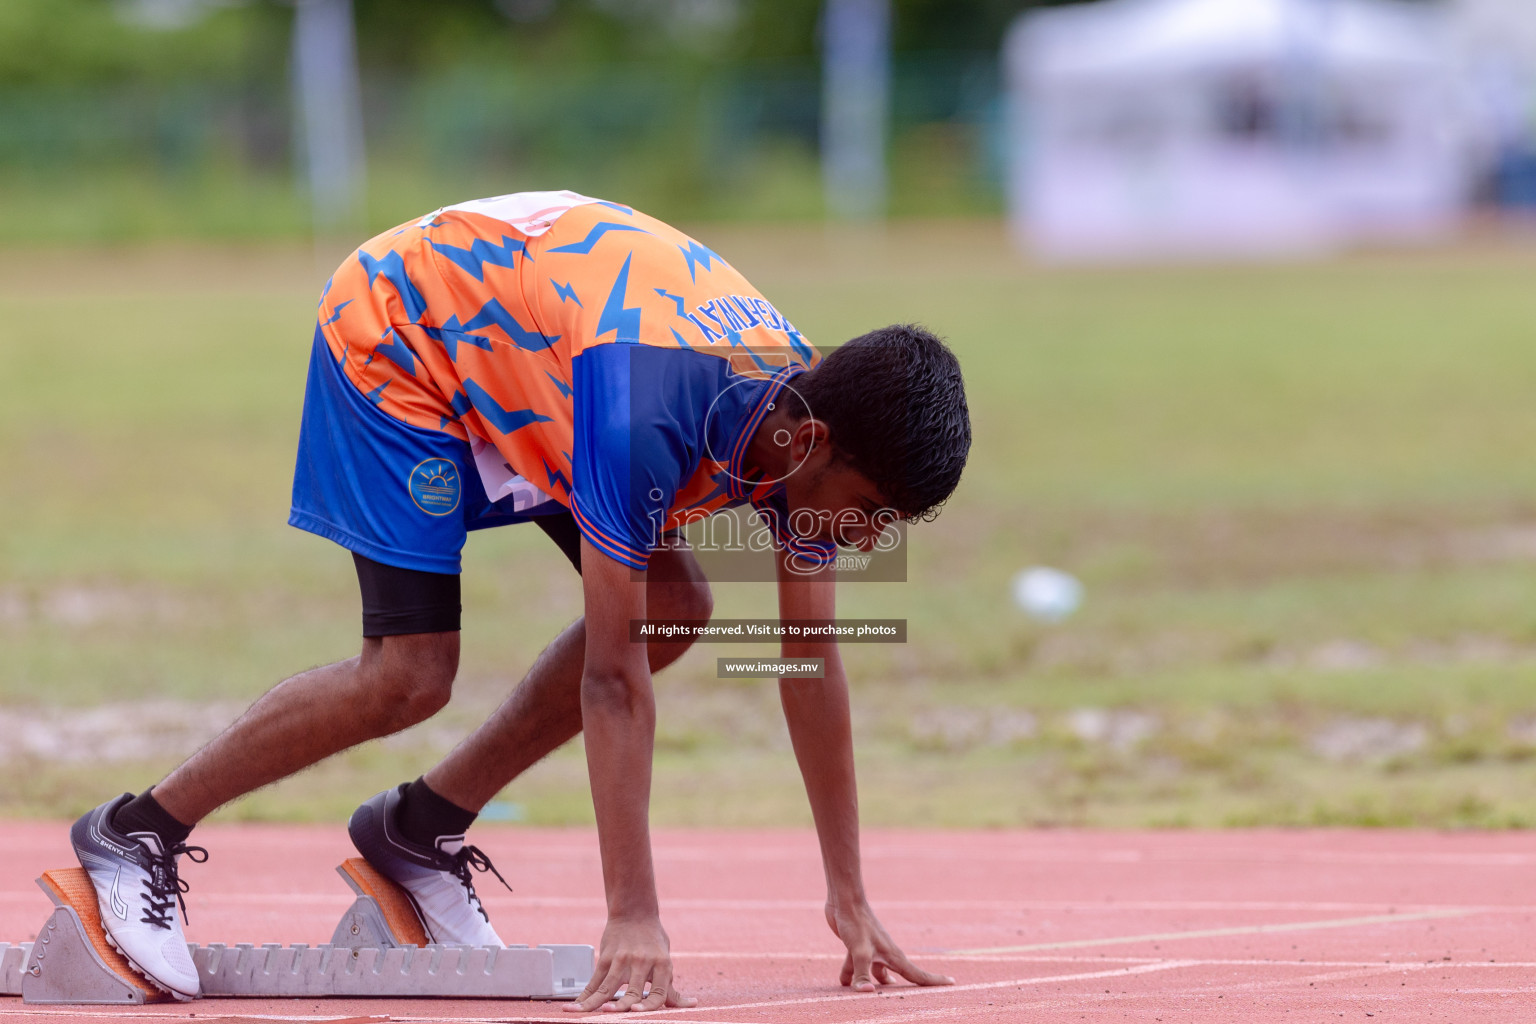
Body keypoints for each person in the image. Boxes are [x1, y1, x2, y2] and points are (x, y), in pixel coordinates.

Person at [69, 190, 971, 1011]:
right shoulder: (644, 417)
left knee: (675, 606)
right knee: (411, 676)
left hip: (543, 355)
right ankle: (135, 831)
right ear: (810, 441)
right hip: (404, 329)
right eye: (867, 513)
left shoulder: (800, 420)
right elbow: (613, 683)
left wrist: (849, 895)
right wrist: (633, 916)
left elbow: (811, 659)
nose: (865, 540)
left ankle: (416, 831)